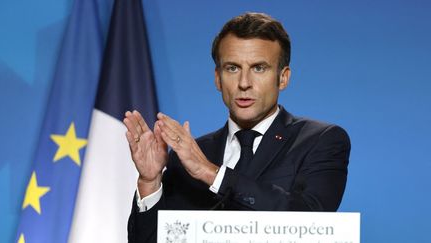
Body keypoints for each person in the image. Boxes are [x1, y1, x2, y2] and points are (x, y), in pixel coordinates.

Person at [123, 12, 350, 243]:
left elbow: (312, 222)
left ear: (283, 78)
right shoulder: (189, 155)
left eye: (259, 68)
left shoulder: (321, 141)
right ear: (218, 78)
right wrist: (150, 182)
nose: (244, 83)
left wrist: (212, 174)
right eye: (232, 68)